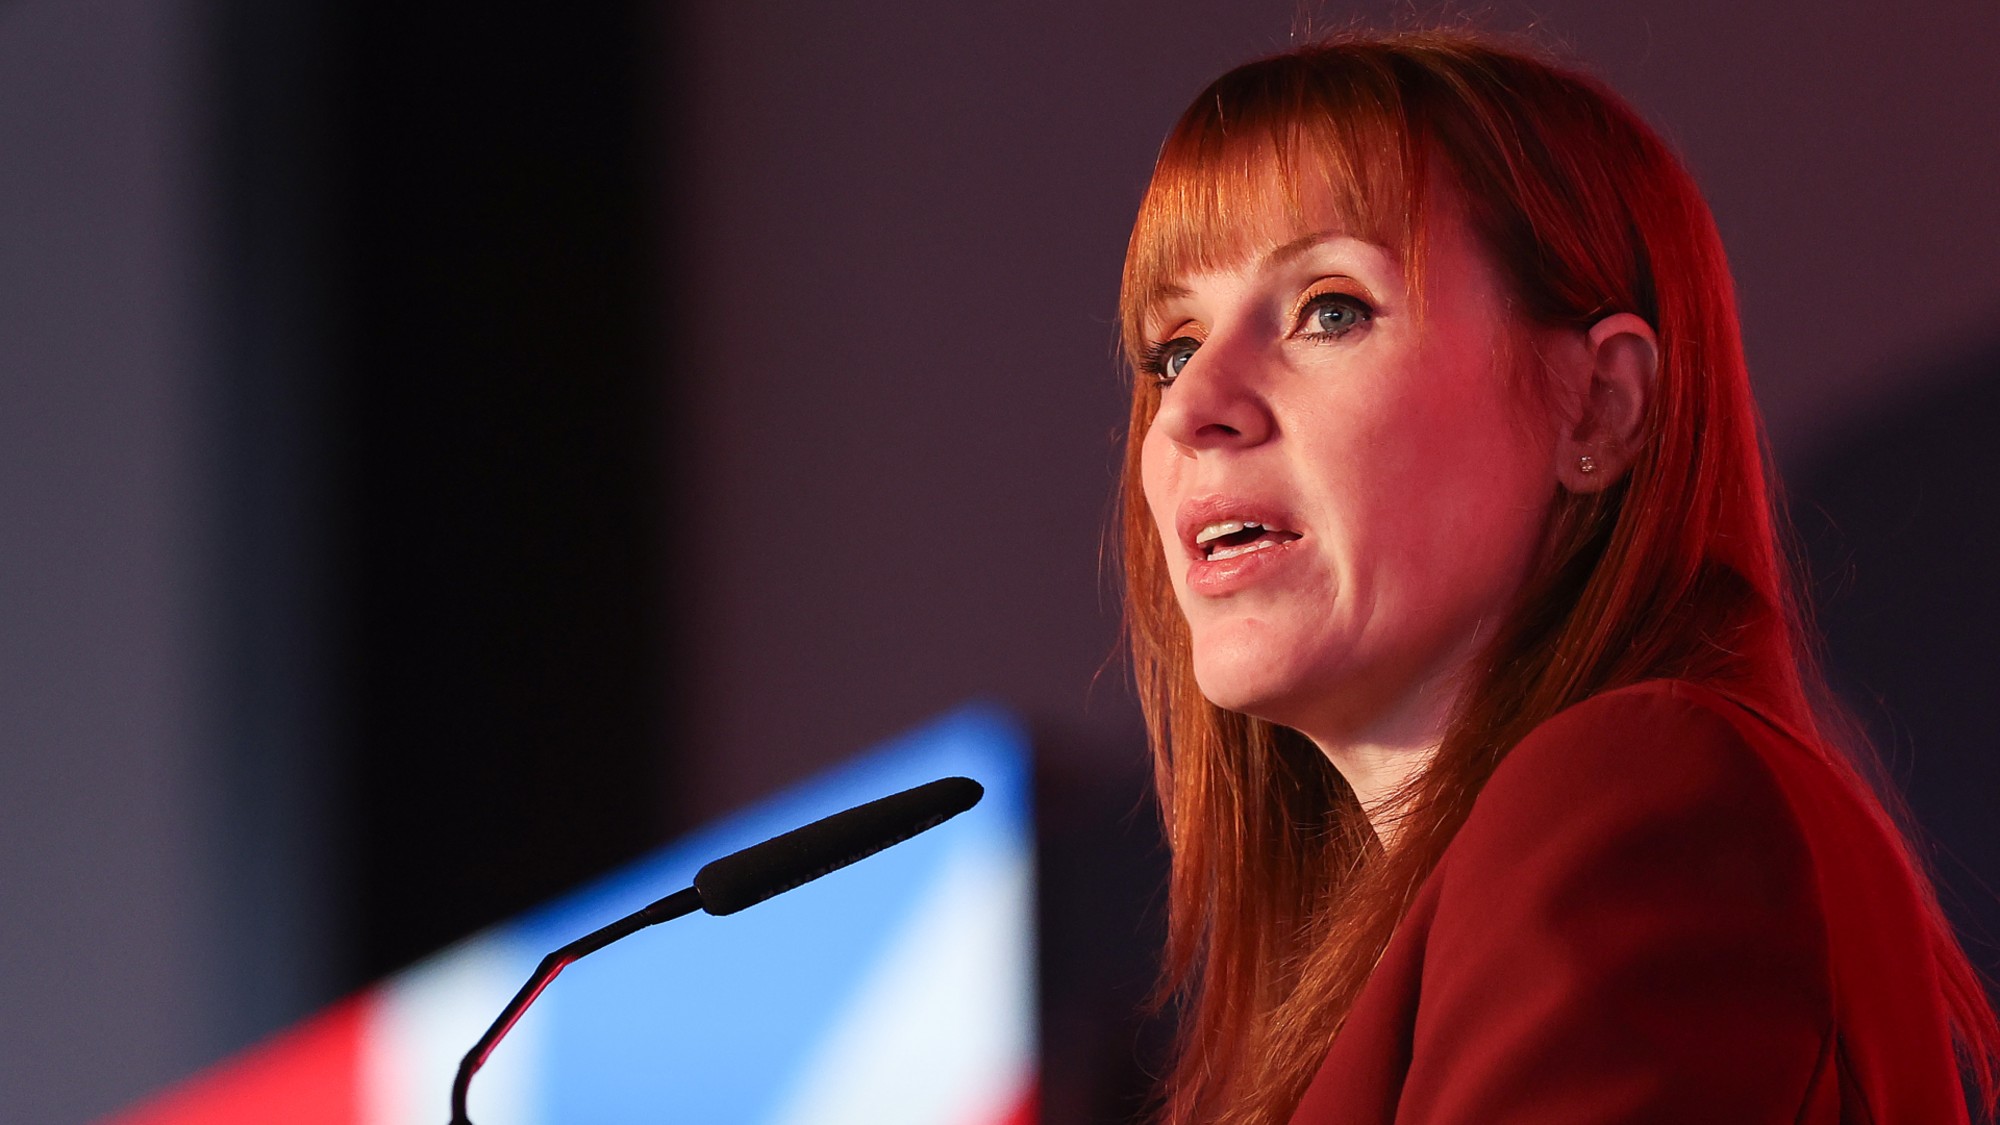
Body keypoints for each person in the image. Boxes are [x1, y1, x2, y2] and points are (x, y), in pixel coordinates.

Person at [1117, 30, 2000, 1125]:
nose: (1194, 408)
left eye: (1329, 308)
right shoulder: (1403, 959)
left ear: (1598, 407)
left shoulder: (1640, 789)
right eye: (1170, 349)